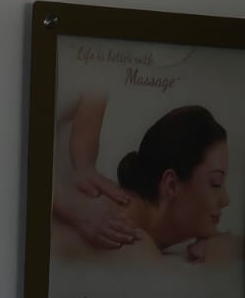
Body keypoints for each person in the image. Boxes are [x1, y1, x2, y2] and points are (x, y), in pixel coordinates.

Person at [53, 103, 237, 262]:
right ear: (171, 184)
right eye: (215, 183)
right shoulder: (131, 243)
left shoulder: (121, 215)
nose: (226, 200)